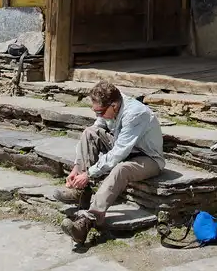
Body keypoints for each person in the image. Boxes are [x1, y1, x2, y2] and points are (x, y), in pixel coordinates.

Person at [59, 81, 165, 246]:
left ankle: (87, 222)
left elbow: (119, 153)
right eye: (95, 111)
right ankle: (82, 192)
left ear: (114, 106)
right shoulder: (110, 106)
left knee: (120, 169)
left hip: (148, 158)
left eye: (100, 112)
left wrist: (90, 174)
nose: (98, 115)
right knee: (89, 133)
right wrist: (77, 167)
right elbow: (95, 129)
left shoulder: (135, 114)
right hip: (125, 148)